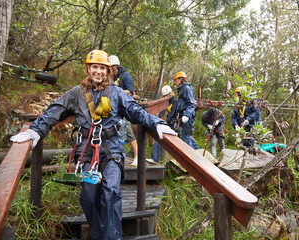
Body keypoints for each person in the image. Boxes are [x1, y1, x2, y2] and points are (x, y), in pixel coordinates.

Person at [10, 49, 177, 240]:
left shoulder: (117, 93)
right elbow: (54, 111)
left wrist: (157, 123)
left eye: (102, 68)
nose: (98, 71)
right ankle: (98, 233)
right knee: (88, 196)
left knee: (110, 191)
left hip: (112, 150)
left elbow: (135, 111)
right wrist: (35, 130)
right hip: (87, 153)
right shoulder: (76, 94)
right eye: (95, 67)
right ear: (89, 69)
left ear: (108, 71)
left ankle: (113, 237)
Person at [110, 55, 139, 166]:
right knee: (114, 133)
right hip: (113, 109)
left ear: (115, 66)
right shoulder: (110, 77)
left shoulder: (125, 76)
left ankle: (137, 157)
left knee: (127, 131)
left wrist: (117, 92)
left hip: (123, 108)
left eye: (111, 67)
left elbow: (130, 92)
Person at [148, 85, 178, 163]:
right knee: (159, 137)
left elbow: (173, 115)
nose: (166, 96)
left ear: (170, 93)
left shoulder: (175, 102)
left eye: (168, 95)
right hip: (164, 122)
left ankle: (156, 158)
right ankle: (155, 158)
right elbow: (161, 113)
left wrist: (165, 123)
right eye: (165, 95)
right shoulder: (165, 102)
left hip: (170, 124)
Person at [173, 71, 199, 149]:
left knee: (186, 137)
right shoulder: (181, 89)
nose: (175, 82)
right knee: (188, 135)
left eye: (176, 80)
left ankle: (190, 158)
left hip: (188, 116)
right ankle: (199, 154)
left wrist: (186, 115)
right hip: (184, 116)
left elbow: (192, 103)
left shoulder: (186, 88)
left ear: (181, 79)